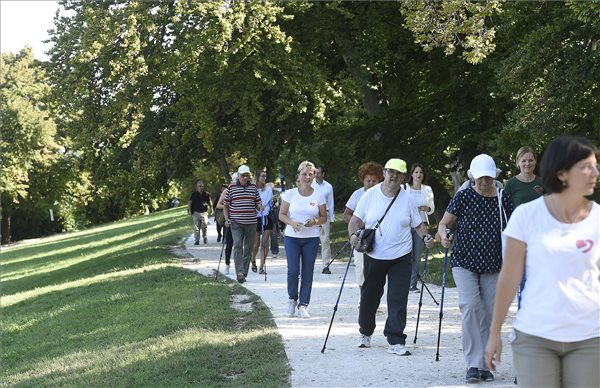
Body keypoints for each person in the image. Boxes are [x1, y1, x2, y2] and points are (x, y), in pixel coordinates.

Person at [485, 135, 599, 388]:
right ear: (562, 172)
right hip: (536, 336)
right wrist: (495, 334)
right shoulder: (526, 216)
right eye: (586, 166)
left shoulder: (598, 220)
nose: (594, 172)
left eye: (595, 166)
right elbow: (509, 277)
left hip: (589, 337)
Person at [438, 154, 513, 383]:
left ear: (494, 176)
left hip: (494, 264)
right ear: (472, 176)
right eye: (480, 178)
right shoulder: (464, 196)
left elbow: (517, 226)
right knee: (471, 306)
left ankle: (485, 365)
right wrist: (444, 236)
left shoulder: (503, 197)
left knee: (490, 315)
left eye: (488, 178)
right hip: (464, 261)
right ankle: (472, 364)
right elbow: (443, 223)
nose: (483, 182)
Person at [348, 158, 434, 356]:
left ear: (403, 177)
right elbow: (355, 220)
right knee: (370, 297)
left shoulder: (408, 199)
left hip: (401, 256)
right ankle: (366, 331)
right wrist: (353, 236)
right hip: (375, 254)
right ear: (384, 172)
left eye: (399, 173)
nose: (394, 176)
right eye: (391, 171)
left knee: (397, 298)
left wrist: (426, 236)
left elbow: (418, 224)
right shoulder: (370, 195)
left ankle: (395, 339)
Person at [279, 161, 327, 318]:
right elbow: (282, 214)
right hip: (292, 237)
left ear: (314, 175)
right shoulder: (290, 194)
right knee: (293, 271)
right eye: (304, 174)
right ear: (298, 176)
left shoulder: (319, 194)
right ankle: (292, 299)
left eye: (311, 174)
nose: (308, 177)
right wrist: (292, 223)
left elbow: (324, 217)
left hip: (311, 238)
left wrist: (314, 222)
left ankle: (303, 305)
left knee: (307, 272)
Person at [343, 161, 384, 291]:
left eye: (374, 181)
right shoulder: (357, 194)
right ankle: (364, 298)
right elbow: (346, 215)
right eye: (368, 181)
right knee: (360, 268)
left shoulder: (383, 194)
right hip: (361, 237)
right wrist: (359, 224)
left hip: (379, 236)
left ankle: (374, 301)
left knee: (375, 269)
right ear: (363, 180)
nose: (371, 184)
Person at [223, 165, 263, 284]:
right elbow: (225, 204)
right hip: (236, 222)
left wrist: (260, 206)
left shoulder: (253, 188)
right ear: (238, 176)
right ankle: (239, 272)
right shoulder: (231, 188)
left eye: (247, 175)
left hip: (251, 222)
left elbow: (257, 203)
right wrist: (226, 219)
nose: (245, 178)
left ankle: (244, 272)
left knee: (249, 248)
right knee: (237, 245)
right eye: (243, 175)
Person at [404, 163, 435, 293]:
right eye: (416, 172)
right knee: (405, 254)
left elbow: (431, 208)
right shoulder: (404, 188)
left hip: (421, 224)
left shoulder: (427, 189)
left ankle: (412, 285)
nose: (418, 175)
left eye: (421, 172)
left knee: (416, 255)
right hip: (406, 225)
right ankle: (402, 282)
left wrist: (426, 208)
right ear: (412, 174)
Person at [312, 165, 335, 274]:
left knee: (325, 240)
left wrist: (332, 220)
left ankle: (326, 265)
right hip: (312, 214)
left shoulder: (328, 186)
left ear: (323, 174)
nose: (316, 175)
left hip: (324, 213)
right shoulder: (310, 184)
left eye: (319, 173)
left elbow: (331, 202)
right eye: (315, 172)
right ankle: (307, 263)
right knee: (311, 239)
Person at [251, 171, 273, 274]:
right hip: (256, 217)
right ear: (257, 177)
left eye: (265, 176)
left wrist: (272, 202)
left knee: (265, 242)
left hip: (266, 216)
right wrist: (257, 207)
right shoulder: (252, 189)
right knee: (256, 243)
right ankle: (253, 259)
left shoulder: (268, 189)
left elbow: (270, 202)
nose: (264, 178)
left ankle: (261, 267)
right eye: (262, 176)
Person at [216, 174, 238, 274]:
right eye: (235, 180)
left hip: (240, 220)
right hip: (228, 220)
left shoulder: (243, 190)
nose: (236, 182)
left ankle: (239, 267)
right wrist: (227, 205)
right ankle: (227, 264)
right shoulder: (227, 191)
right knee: (229, 244)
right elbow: (218, 205)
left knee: (239, 245)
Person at [188, 180, 212, 245]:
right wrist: (190, 210)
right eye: (199, 186)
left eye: (202, 186)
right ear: (197, 186)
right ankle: (197, 240)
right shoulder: (194, 194)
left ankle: (205, 237)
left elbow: (210, 202)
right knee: (196, 227)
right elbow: (190, 203)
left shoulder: (206, 194)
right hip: (195, 213)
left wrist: (212, 209)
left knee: (204, 226)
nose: (201, 187)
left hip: (204, 213)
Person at [267, 182, 281, 259]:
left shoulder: (276, 194)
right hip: (264, 216)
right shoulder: (263, 192)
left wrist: (274, 201)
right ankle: (263, 250)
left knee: (274, 235)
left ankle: (274, 251)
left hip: (273, 217)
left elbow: (278, 204)